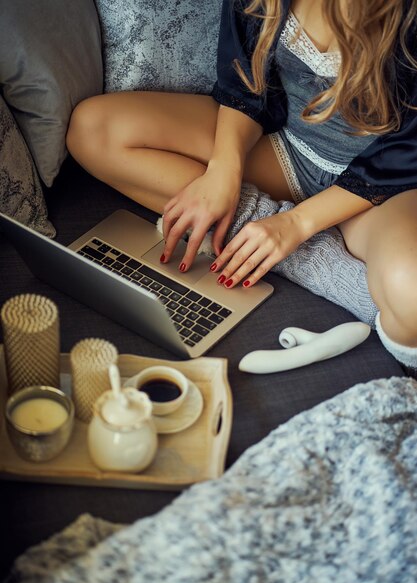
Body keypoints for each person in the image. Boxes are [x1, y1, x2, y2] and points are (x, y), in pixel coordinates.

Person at [66, 0, 417, 372]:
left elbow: (407, 150)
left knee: (411, 298)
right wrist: (222, 171)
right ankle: (271, 238)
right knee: (94, 130)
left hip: (379, 190)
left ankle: (295, 247)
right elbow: (244, 85)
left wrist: (298, 225)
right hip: (284, 151)